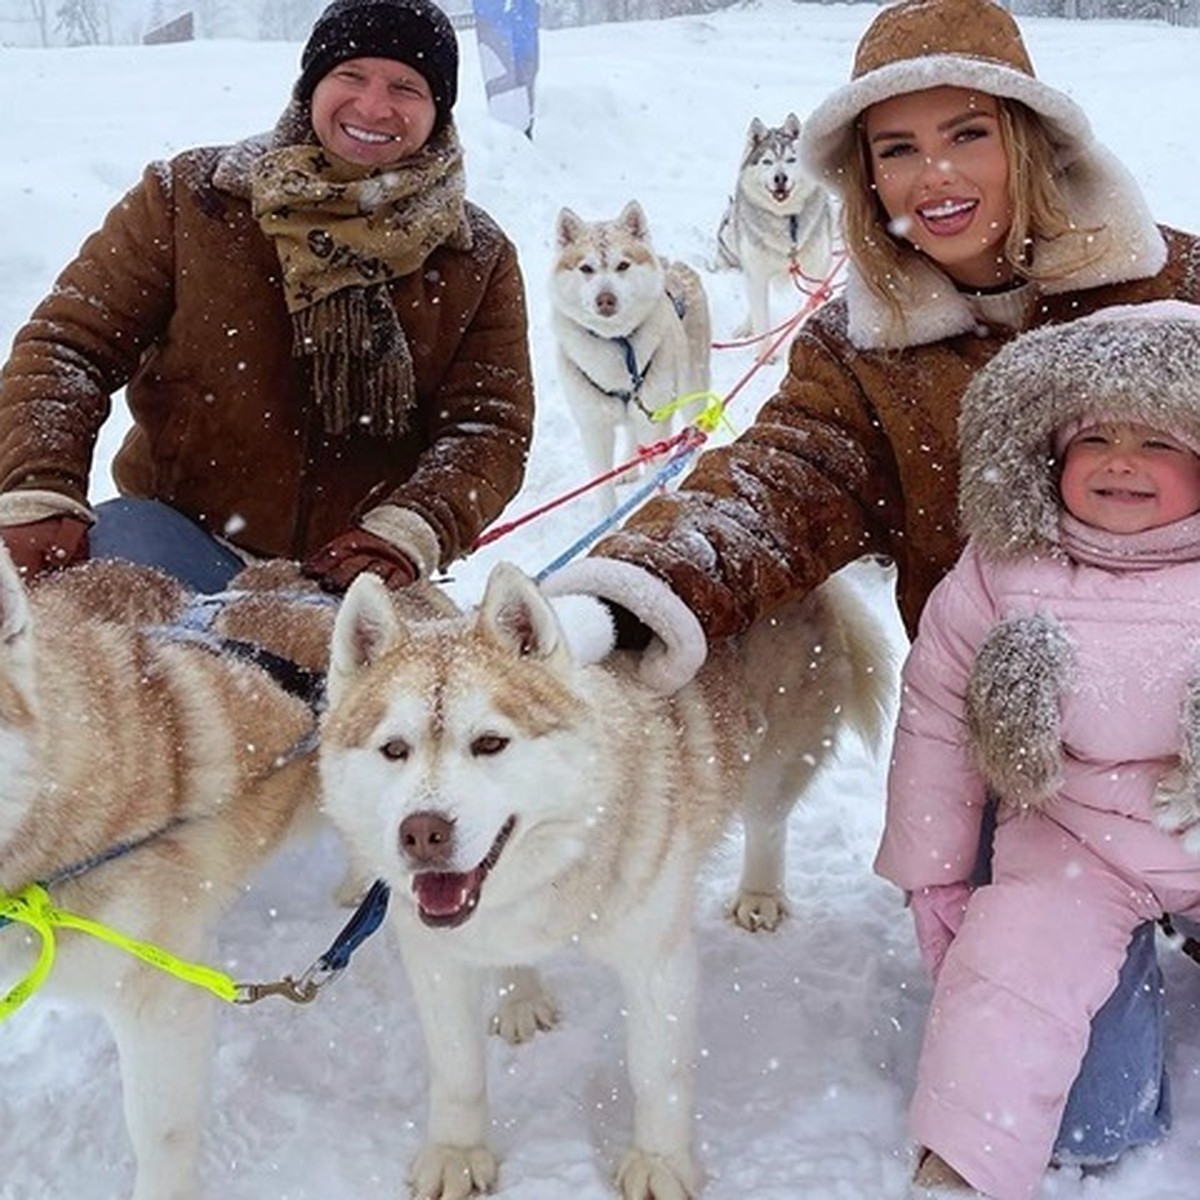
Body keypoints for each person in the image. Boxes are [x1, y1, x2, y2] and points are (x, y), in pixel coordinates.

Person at [538, 0, 1199, 1175]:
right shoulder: (861, 351)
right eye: (897, 150)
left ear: (1032, 141)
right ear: (862, 180)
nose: (935, 175)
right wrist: (622, 598)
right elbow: (776, 486)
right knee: (1083, 1120)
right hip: (1038, 767)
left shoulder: (1173, 288)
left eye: (967, 135)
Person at [0, 0, 534, 596]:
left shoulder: (475, 256)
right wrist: (40, 485)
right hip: (178, 537)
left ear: (439, 111)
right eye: (350, 76)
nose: (375, 106)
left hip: (354, 570)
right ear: (311, 86)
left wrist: (409, 529)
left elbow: (488, 426)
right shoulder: (190, 200)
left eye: (406, 87)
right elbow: (68, 346)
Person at [876, 300, 1200, 1199]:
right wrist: (937, 873)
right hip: (1075, 841)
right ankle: (962, 1168)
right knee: (1016, 987)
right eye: (1096, 439)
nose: (1122, 462)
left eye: (1160, 441)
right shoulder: (1002, 568)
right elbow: (937, 715)